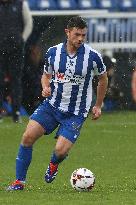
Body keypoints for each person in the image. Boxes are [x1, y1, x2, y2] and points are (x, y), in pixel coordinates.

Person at [7, 16, 108, 190]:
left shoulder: (93, 57)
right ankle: (19, 182)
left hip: (76, 112)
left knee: (60, 151)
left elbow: (103, 79)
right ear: (67, 32)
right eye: (77, 34)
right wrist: (45, 87)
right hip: (51, 106)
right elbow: (46, 75)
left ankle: (54, 163)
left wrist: (98, 105)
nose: (80, 39)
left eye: (83, 35)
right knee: (27, 137)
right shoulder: (53, 52)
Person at [0, 0, 33, 122]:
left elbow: (29, 22)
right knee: (0, 81)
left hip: (16, 49)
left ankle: (16, 113)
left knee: (16, 81)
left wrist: (22, 39)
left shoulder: (20, 4)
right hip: (1, 48)